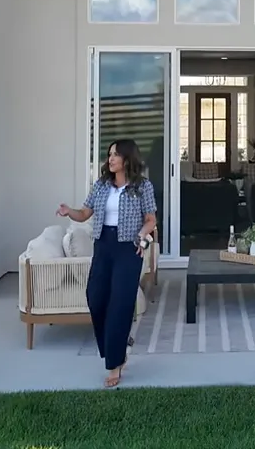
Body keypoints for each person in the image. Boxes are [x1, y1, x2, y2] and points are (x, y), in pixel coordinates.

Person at [57, 139, 157, 387]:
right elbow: (84, 214)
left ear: (127, 158)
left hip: (128, 249)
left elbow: (150, 220)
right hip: (103, 247)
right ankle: (118, 348)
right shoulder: (101, 186)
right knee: (96, 298)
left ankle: (114, 364)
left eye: (115, 155)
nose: (110, 159)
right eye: (109, 155)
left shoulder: (142, 186)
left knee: (120, 306)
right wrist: (69, 211)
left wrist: (142, 238)